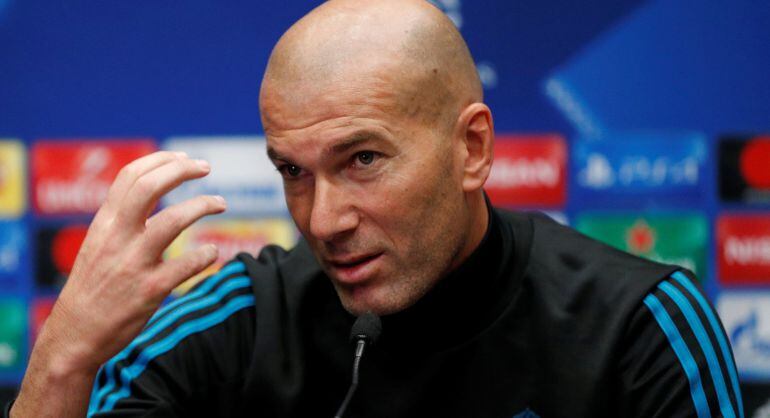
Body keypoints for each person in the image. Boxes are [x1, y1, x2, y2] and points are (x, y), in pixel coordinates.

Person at [8, 0, 743, 417]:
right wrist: (64, 356)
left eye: (363, 160)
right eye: (293, 171)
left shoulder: (641, 326)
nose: (323, 220)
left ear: (473, 149)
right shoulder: (231, 326)